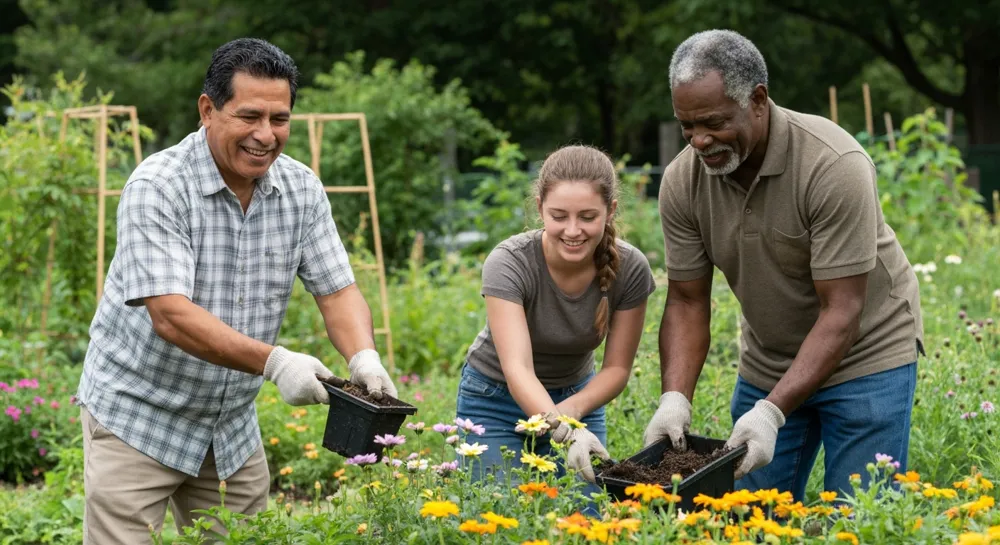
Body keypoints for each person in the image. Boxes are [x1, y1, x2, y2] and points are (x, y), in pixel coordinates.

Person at [75, 38, 398, 544]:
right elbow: (171, 315)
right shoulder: (159, 185)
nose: (265, 135)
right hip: (138, 416)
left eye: (280, 119)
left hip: (229, 429)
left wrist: (364, 359)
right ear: (208, 110)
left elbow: (336, 290)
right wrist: (275, 362)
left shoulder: (301, 189)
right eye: (249, 116)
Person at [644, 29, 923, 502]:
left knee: (860, 520)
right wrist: (675, 397)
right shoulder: (682, 182)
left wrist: (773, 413)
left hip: (866, 356)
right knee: (744, 517)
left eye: (713, 122)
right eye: (687, 126)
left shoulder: (833, 164)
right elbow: (688, 301)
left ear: (757, 100)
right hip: (770, 360)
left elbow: (842, 311)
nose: (699, 140)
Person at [455, 145, 657, 488]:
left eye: (588, 217)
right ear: (540, 209)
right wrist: (560, 426)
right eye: (559, 216)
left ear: (610, 211)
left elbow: (617, 370)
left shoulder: (631, 268)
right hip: (495, 400)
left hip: (580, 399)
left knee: (584, 519)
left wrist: (570, 417)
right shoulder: (510, 262)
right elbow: (517, 367)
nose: (573, 230)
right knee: (498, 520)